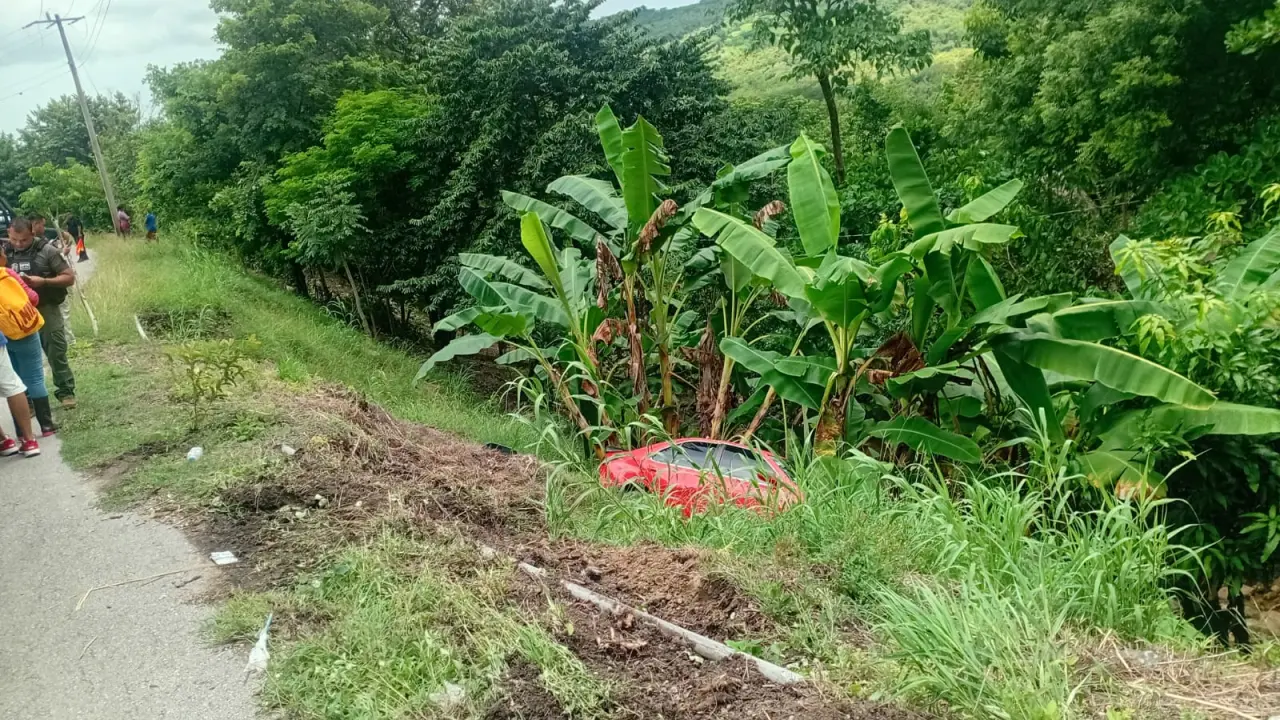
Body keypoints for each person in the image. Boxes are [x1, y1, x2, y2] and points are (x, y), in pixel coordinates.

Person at [5, 217, 76, 414]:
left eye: (24, 240)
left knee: (55, 348)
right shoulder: (5, 253)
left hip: (46, 307)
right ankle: (27, 400)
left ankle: (66, 391)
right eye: (14, 240)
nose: (18, 244)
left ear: (33, 235)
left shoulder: (47, 251)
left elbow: (69, 277)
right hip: (16, 314)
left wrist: (43, 281)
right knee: (17, 357)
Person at [0, 251, 44, 455]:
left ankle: (4, 441)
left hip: (8, 334)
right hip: (16, 333)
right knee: (15, 384)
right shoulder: (6, 274)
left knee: (14, 382)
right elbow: (33, 297)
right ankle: (31, 438)